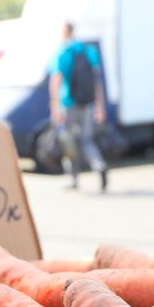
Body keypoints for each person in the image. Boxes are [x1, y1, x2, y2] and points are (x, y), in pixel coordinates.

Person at [48, 22, 108, 191]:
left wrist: (54, 107)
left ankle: (73, 179)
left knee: (69, 141)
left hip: (68, 103)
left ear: (64, 32)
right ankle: (99, 165)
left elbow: (56, 80)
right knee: (86, 139)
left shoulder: (62, 52)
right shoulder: (88, 50)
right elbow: (97, 81)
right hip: (87, 104)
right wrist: (100, 106)